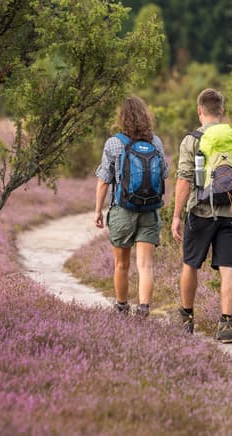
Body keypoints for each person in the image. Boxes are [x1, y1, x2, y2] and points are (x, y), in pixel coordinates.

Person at [171, 88, 232, 343]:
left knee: (191, 263)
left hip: (199, 212)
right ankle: (226, 324)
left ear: (199, 111)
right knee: (228, 268)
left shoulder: (191, 140)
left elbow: (184, 180)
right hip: (231, 214)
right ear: (222, 111)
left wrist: (176, 216)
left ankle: (186, 319)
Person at [94, 96, 168, 317]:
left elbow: (104, 180)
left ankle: (122, 307)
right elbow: (164, 173)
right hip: (149, 210)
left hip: (122, 210)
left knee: (121, 264)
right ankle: (143, 309)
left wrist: (98, 210)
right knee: (145, 265)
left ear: (122, 117)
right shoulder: (155, 142)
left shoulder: (113, 143)